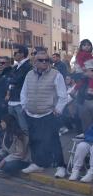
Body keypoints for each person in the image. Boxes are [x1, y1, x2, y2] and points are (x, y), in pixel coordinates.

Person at [20, 50, 70, 178]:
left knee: (53, 141)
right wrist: (24, 107)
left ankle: (61, 166)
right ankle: (38, 163)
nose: (44, 62)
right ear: (34, 62)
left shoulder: (56, 74)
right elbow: (24, 92)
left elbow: (63, 95)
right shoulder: (29, 75)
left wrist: (58, 110)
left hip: (48, 114)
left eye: (46, 60)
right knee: (34, 140)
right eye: (40, 60)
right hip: (31, 113)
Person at [6, 45, 32, 134]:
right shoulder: (15, 67)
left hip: (21, 100)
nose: (14, 54)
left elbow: (18, 79)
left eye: (16, 53)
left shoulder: (28, 66)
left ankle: (28, 145)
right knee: (15, 126)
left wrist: (11, 81)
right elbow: (9, 80)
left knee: (24, 127)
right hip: (12, 99)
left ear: (22, 54)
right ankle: (19, 146)